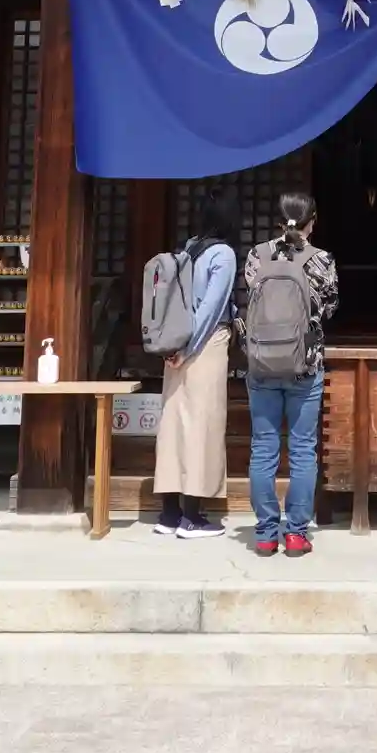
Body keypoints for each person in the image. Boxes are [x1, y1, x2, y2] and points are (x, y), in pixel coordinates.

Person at [238, 190, 338, 558]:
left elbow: (251, 299)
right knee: (303, 450)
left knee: (263, 448)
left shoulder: (257, 256)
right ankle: (295, 534)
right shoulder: (321, 260)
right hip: (305, 366)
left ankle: (266, 534)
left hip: (262, 364)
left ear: (279, 221)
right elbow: (329, 307)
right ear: (314, 221)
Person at [153, 194, 239, 539]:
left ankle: (169, 514)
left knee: (173, 424)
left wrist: (174, 348)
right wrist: (188, 349)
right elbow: (211, 310)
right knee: (203, 425)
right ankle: (192, 517)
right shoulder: (224, 255)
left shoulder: (188, 249)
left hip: (173, 345)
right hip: (205, 345)